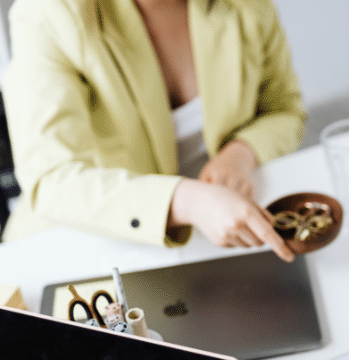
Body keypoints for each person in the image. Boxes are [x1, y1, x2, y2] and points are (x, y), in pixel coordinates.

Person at [0, 0, 305, 262]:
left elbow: (285, 110)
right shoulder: (47, 14)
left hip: (216, 227)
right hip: (82, 240)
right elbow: (52, 178)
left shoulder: (246, 7)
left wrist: (242, 151)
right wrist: (184, 200)